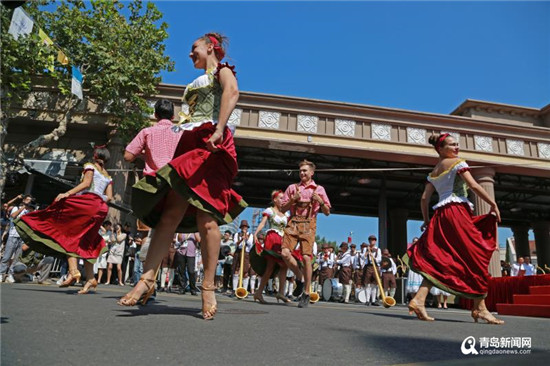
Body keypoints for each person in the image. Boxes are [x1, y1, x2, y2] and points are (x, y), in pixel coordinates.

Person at [118, 33, 247, 320]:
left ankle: (208, 287)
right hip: (189, 144)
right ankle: (146, 281)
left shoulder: (222, 72)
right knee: (170, 215)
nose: (190, 54)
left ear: (210, 47)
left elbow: (233, 93)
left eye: (194, 49)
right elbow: (184, 120)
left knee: (207, 219)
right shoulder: (193, 83)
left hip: (211, 142)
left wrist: (218, 128)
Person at [406, 133, 503, 324]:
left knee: (443, 259)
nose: (456, 147)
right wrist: (493, 204)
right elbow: (473, 185)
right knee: (476, 256)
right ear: (440, 149)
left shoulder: (433, 172)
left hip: (441, 216)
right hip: (457, 212)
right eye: (452, 145)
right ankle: (480, 307)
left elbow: (425, 199)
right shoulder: (457, 163)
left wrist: (426, 220)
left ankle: (419, 299)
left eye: (457, 144)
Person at [15, 146, 113, 294]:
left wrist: (67, 193)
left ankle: (74, 271)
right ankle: (91, 278)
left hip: (88, 204)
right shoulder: (108, 175)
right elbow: (109, 197)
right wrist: (99, 199)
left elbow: (86, 184)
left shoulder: (89, 166)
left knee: (68, 234)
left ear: (95, 156)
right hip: (101, 209)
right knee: (86, 242)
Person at [280, 159, 331, 308]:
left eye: (305, 170)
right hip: (293, 222)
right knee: (284, 253)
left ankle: (306, 293)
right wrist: (292, 200)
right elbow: (282, 209)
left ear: (312, 172)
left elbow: (327, 212)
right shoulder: (292, 188)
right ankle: (299, 276)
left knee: (307, 258)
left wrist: (320, 202)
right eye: (300, 170)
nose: (302, 173)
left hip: (309, 223)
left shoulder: (319, 189)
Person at [250, 190, 291, 304]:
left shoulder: (286, 214)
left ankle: (281, 292)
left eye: (284, 198)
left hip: (283, 240)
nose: (283, 200)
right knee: (270, 267)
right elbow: (263, 223)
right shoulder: (270, 211)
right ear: (275, 200)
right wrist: (256, 233)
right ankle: (259, 292)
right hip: (272, 238)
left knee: (284, 265)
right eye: (281, 198)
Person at [1, 194, 33, 283]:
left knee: (16, 258)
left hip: (21, 237)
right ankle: (1, 273)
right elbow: (13, 216)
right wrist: (23, 208)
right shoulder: (16, 208)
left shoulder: (29, 211)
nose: (28, 202)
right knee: (7, 257)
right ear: (23, 200)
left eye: (30, 200)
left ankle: (11, 274)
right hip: (12, 235)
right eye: (27, 200)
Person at [232, 220, 253, 297]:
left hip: (246, 253)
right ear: (241, 227)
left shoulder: (250, 235)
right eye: (243, 227)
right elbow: (236, 244)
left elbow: (250, 244)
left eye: (246, 227)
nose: (245, 228)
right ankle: (234, 289)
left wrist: (246, 238)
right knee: (236, 270)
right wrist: (241, 239)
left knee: (245, 272)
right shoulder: (237, 234)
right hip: (238, 252)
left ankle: (244, 290)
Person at [363, 235, 382, 306]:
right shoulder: (366, 249)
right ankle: (367, 300)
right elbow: (362, 257)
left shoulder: (378, 249)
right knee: (367, 284)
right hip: (368, 267)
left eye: (373, 240)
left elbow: (379, 259)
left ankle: (373, 300)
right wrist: (367, 253)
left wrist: (373, 257)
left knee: (374, 284)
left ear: (375, 241)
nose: (372, 241)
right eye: (370, 240)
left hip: (375, 267)